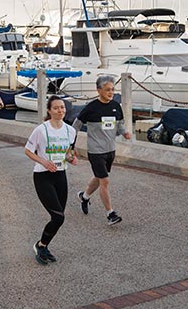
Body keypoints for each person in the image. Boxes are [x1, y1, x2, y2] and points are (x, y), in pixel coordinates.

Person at [25, 95, 78, 264]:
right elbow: (28, 151)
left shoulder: (71, 131)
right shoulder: (41, 130)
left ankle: (43, 245)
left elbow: (69, 152)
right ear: (49, 110)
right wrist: (43, 162)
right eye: (56, 108)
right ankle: (40, 246)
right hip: (43, 176)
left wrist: (72, 158)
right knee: (58, 217)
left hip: (60, 175)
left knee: (59, 216)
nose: (60, 110)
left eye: (62, 107)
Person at [73, 75, 131, 225]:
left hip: (110, 150)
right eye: (107, 90)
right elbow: (76, 126)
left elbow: (120, 124)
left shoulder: (116, 106)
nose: (111, 93)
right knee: (104, 181)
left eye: (112, 89)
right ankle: (110, 214)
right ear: (98, 90)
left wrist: (124, 132)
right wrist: (71, 147)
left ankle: (84, 197)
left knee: (99, 178)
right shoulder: (91, 108)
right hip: (96, 151)